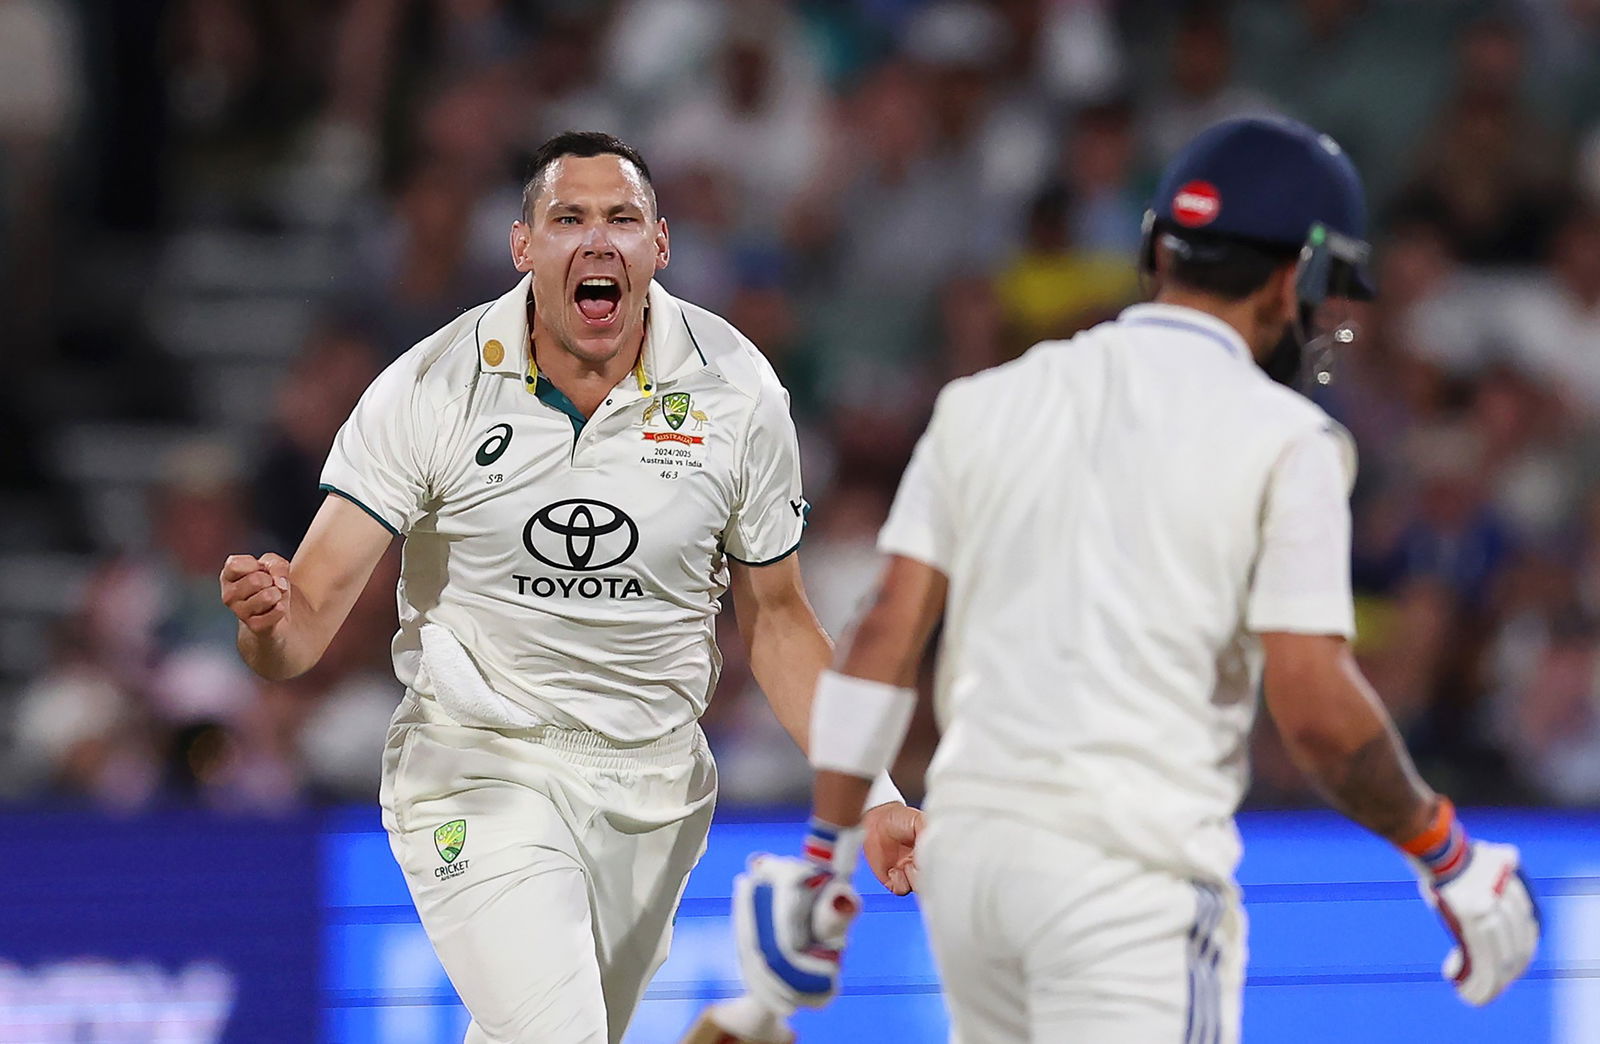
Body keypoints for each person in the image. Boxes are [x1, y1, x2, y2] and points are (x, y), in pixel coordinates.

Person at [730, 117, 1541, 1041]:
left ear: (1158, 247)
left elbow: (883, 639)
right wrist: (1445, 852)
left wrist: (823, 855)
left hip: (974, 874)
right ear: (1295, 279)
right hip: (1127, 887)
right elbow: (1314, 710)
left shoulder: (987, 400)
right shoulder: (1287, 440)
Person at [218, 131, 918, 1044]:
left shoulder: (737, 390)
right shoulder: (430, 386)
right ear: (523, 247)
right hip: (478, 765)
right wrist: (268, 622)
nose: (598, 241)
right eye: (569, 219)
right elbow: (299, 631)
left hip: (654, 791)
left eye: (623, 219)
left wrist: (876, 797)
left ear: (659, 246)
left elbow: (781, 626)